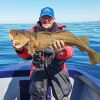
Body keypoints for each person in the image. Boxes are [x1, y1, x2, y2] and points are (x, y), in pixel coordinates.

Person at [13, 7, 74, 100]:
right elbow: (27, 56)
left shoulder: (62, 32)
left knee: (63, 96)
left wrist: (61, 52)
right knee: (37, 96)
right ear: (40, 18)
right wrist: (20, 49)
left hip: (58, 72)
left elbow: (70, 52)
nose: (46, 20)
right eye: (44, 17)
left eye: (49, 17)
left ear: (53, 19)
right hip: (38, 72)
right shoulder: (31, 33)